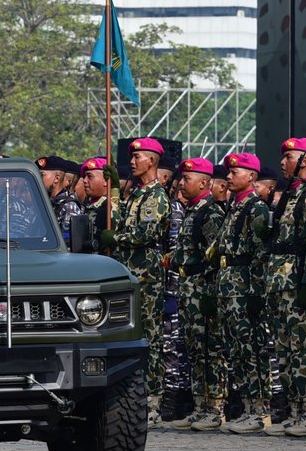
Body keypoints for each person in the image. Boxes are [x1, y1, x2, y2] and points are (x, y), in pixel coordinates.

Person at [261, 137, 306, 437]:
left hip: (297, 282)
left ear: (304, 160)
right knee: (285, 351)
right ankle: (293, 409)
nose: (282, 162)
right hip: (279, 283)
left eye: (288, 157)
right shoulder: (289, 196)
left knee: (303, 350)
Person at [101, 138, 172, 422]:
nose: (132, 161)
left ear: (152, 161)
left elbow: (145, 235)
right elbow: (117, 222)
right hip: (129, 269)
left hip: (147, 272)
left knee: (150, 335)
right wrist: (116, 190)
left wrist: (115, 238)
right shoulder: (137, 194)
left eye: (138, 156)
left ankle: (153, 402)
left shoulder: (156, 196)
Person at [169, 158, 227, 431]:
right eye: (181, 178)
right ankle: (200, 405)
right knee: (194, 350)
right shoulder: (192, 211)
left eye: (187, 178)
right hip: (188, 288)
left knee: (209, 350)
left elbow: (214, 257)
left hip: (202, 289)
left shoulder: (211, 213)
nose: (181, 183)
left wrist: (210, 293)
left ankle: (214, 409)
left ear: (204, 182)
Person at [217, 152, 272, 434]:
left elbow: (260, 253)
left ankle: (260, 409)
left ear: (251, 177)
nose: (228, 177)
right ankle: (248, 407)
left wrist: (255, 291)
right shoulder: (234, 207)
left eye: (234, 172)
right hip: (229, 284)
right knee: (236, 349)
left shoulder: (256, 208)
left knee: (252, 348)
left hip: (244, 285)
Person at [37, 156, 84, 245]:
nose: (38, 179)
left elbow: (67, 245)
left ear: (56, 178)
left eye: (42, 175)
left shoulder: (69, 206)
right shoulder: (45, 203)